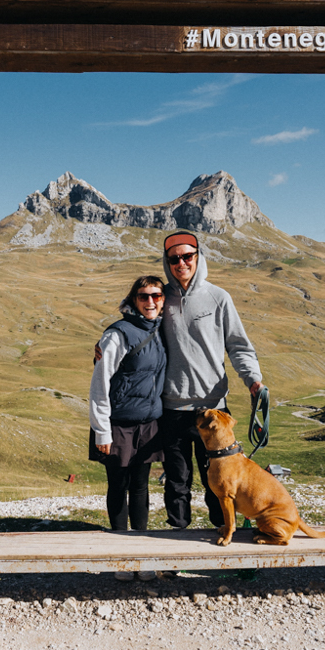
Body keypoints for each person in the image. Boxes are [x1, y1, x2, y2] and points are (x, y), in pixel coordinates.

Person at [158, 231, 264, 529]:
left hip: (214, 410)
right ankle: (176, 550)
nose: (181, 263)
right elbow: (134, 325)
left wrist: (253, 380)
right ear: (167, 262)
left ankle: (222, 543)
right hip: (172, 410)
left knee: (220, 483)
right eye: (174, 259)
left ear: (198, 257)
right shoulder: (159, 298)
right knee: (177, 482)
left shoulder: (218, 297)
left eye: (187, 256)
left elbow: (239, 345)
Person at [89, 276, 167, 581]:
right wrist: (102, 431)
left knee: (140, 487)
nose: (150, 302)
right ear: (133, 300)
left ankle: (142, 555)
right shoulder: (117, 335)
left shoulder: (161, 328)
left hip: (148, 423)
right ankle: (121, 557)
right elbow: (99, 383)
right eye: (143, 296)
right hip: (118, 424)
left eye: (156, 296)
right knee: (118, 486)